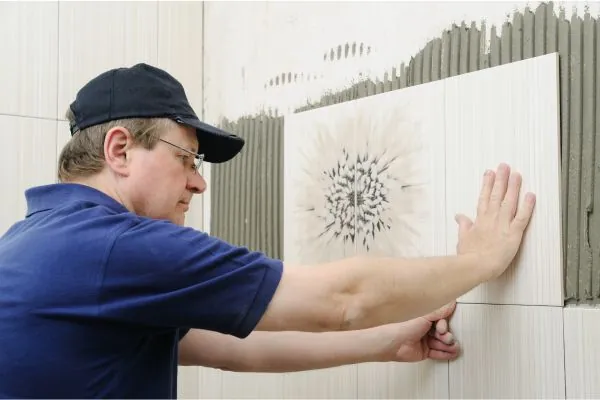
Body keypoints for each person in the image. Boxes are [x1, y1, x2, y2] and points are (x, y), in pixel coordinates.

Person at [0, 63, 535, 399]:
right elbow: (342, 298)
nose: (197, 182)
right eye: (187, 158)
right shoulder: (118, 248)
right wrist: (479, 263)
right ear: (120, 150)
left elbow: (230, 347)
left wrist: (385, 343)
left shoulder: (30, 242)